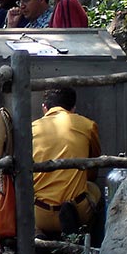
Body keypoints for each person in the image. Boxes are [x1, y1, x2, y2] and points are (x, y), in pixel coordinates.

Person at [31, 87, 102, 237]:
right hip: (77, 208)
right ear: (73, 108)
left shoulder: (31, 129)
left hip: (39, 211)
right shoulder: (87, 125)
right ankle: (84, 241)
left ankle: (37, 234)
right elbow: (93, 169)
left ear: (44, 108)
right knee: (95, 189)